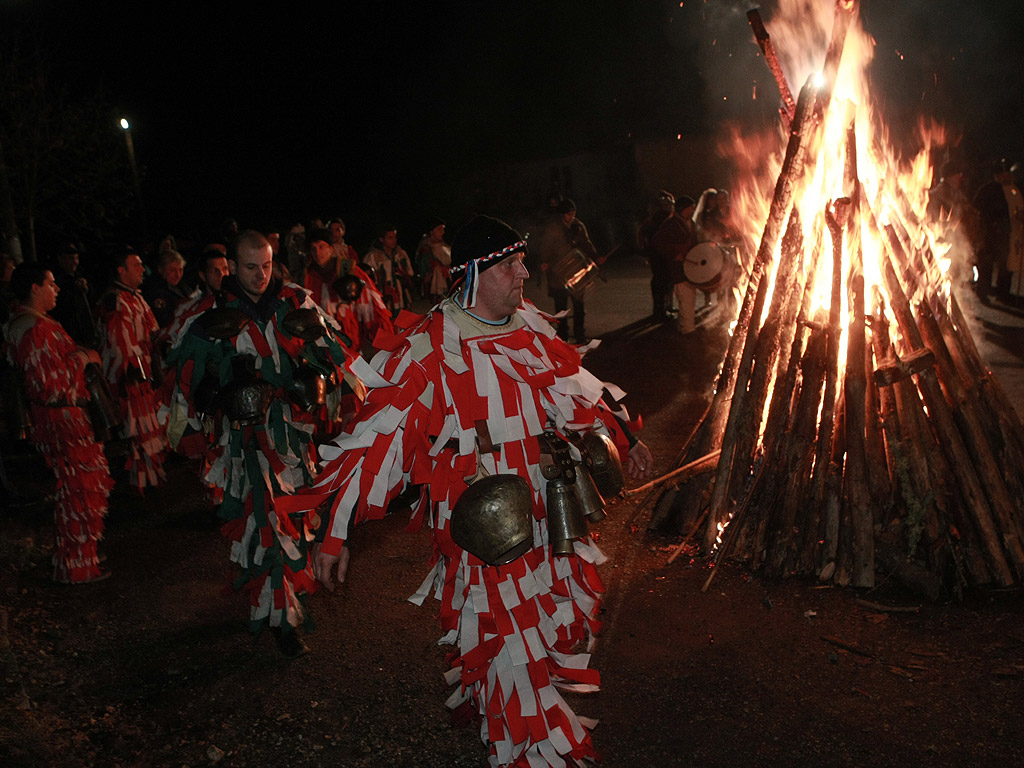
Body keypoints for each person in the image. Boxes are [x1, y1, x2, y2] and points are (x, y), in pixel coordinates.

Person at [279, 215, 654, 766]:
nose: (525, 271)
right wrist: (335, 533)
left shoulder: (528, 324)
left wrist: (622, 433)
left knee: (551, 631)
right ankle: (528, 753)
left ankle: (519, 728)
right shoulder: (430, 345)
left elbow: (573, 388)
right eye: (510, 263)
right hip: (490, 528)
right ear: (476, 273)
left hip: (551, 511)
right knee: (510, 645)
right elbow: (375, 445)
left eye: (522, 260)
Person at [161, 230, 359, 657]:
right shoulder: (208, 320)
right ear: (231, 268)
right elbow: (184, 383)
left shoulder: (294, 303)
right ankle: (282, 619)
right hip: (246, 444)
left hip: (293, 438)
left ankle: (290, 601)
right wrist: (211, 402)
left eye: (266, 265)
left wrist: (330, 384)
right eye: (250, 267)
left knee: (297, 522)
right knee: (265, 526)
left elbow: (333, 355)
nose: (260, 275)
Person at [4, 264, 114, 583]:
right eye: (51, 284)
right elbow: (48, 385)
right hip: (63, 419)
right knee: (79, 489)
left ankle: (80, 552)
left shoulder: (23, 324)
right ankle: (77, 566)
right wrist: (84, 359)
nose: (57, 289)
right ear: (35, 289)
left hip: (54, 420)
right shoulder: (34, 329)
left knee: (74, 489)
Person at [96, 245, 168, 492]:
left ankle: (151, 479)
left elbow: (152, 332)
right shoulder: (114, 302)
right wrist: (134, 377)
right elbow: (118, 348)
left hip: (144, 374)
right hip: (132, 380)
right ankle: (140, 483)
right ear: (121, 270)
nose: (142, 270)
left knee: (149, 429)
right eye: (136, 265)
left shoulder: (136, 297)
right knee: (137, 431)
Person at [306, 227, 393, 355]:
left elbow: (374, 311)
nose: (318, 252)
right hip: (325, 342)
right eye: (313, 249)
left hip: (350, 340)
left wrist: (385, 348)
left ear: (331, 248)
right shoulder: (310, 275)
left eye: (321, 247)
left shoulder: (350, 270)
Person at [541, 198, 601, 343]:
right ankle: (562, 336)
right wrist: (545, 261)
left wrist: (595, 256)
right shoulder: (553, 228)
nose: (571, 216)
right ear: (562, 214)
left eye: (573, 213)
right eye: (568, 214)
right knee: (561, 306)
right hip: (558, 272)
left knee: (579, 304)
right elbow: (546, 246)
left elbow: (586, 243)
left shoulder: (578, 226)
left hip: (576, 270)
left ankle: (580, 334)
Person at [972, 158, 1024, 303]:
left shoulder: (1016, 190)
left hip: (1011, 233)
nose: (1004, 177)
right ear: (996, 176)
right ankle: (982, 292)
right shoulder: (988, 190)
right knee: (986, 264)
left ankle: (1003, 293)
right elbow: (977, 209)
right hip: (990, 233)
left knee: (1007, 265)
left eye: (1006, 173)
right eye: (1001, 174)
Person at [654, 195, 700, 334]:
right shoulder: (670, 224)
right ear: (682, 209)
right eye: (690, 208)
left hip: (690, 265)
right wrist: (674, 254)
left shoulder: (690, 222)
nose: (692, 211)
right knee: (686, 297)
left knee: (688, 297)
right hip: (678, 268)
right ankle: (688, 329)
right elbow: (658, 243)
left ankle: (683, 325)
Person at [637, 190, 677, 321]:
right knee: (661, 282)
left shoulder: (658, 219)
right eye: (668, 205)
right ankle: (660, 311)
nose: (670, 207)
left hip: (659, 255)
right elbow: (648, 238)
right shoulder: (661, 220)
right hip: (659, 255)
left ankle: (664, 307)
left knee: (665, 281)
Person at [50, 243, 98, 348]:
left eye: (76, 258)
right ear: (60, 259)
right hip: (66, 331)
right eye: (70, 258)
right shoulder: (55, 279)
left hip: (83, 330)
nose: (75, 262)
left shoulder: (80, 274)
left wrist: (87, 289)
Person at [364, 224, 414, 314]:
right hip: (383, 292)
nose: (393, 241)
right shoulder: (373, 256)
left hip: (401, 293)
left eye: (395, 237)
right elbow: (367, 277)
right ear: (382, 239)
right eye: (390, 238)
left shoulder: (401, 253)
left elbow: (409, 272)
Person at [143, 249, 190, 328]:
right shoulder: (154, 290)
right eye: (172, 270)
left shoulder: (182, 286)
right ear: (160, 269)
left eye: (181, 270)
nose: (178, 275)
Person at [415, 218, 451, 303]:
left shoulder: (446, 247)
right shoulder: (427, 248)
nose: (442, 232)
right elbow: (425, 268)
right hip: (436, 286)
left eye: (443, 229)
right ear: (431, 232)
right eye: (439, 229)